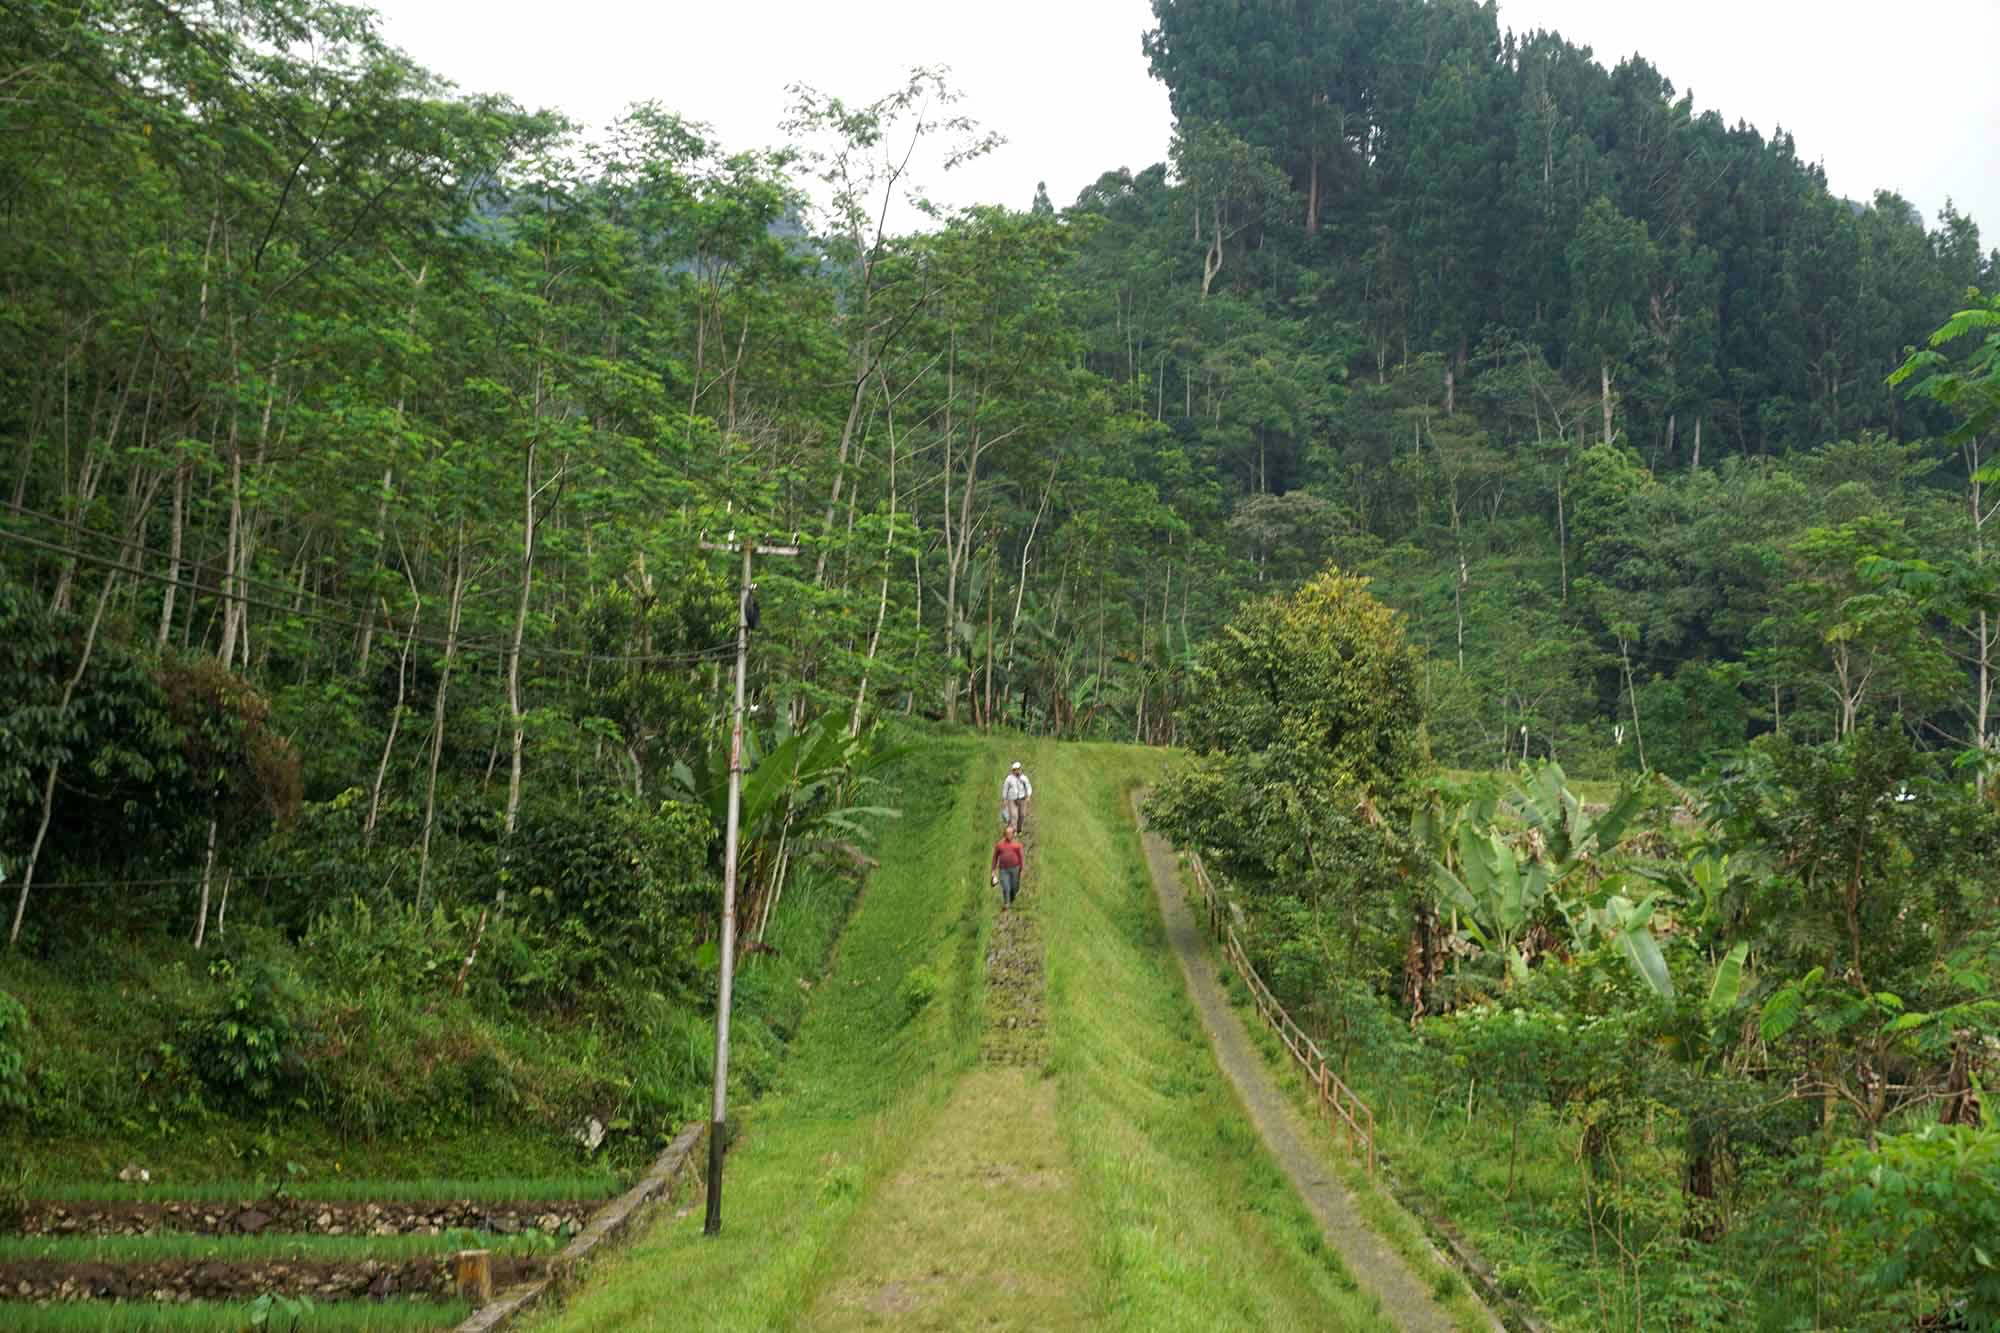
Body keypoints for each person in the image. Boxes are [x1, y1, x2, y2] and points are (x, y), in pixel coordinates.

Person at [990, 826, 1026, 909]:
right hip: (1003, 869)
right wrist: (993, 870)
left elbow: (1021, 857)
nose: (1008, 835)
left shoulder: (1017, 845)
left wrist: (1022, 869)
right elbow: (995, 857)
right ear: (1004, 834)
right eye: (1007, 833)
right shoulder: (999, 845)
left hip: (1015, 869)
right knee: (1006, 886)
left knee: (1015, 887)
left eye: (1010, 833)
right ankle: (1006, 903)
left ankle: (1011, 898)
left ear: (1013, 834)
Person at [1001, 761, 1033, 834]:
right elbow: (1005, 788)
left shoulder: (1024, 778)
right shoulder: (1009, 779)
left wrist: (1028, 796)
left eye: (1018, 769)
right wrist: (1005, 799)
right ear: (1013, 771)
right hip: (1012, 799)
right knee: (1014, 815)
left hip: (1022, 799)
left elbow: (1028, 787)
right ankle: (1014, 830)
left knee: (1022, 815)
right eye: (1015, 770)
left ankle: (1019, 829)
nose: (1017, 771)